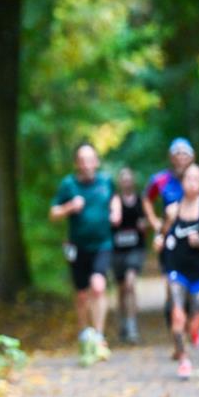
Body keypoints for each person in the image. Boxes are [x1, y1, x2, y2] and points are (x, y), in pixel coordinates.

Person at [142, 137, 199, 345]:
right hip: (172, 243)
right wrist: (156, 224)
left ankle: (194, 325)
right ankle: (177, 335)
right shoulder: (160, 180)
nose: (181, 158)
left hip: (198, 245)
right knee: (174, 292)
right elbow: (146, 198)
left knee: (195, 295)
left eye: (185, 154)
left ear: (192, 156)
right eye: (177, 154)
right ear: (171, 157)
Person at [50, 142, 121, 366]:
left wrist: (116, 211)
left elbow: (115, 198)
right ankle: (84, 334)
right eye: (82, 160)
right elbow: (53, 213)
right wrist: (69, 207)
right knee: (81, 295)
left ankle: (98, 337)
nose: (87, 164)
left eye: (90, 159)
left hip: (103, 244)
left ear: (97, 162)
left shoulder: (106, 181)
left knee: (98, 286)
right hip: (77, 247)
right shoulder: (68, 185)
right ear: (76, 164)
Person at [154, 164, 199, 380]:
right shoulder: (172, 210)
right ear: (182, 183)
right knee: (177, 314)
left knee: (195, 319)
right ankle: (184, 358)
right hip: (177, 269)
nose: (192, 184)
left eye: (196, 180)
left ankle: (195, 331)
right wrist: (158, 241)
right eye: (188, 179)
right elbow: (161, 234)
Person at [111, 167, 147, 344]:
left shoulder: (141, 200)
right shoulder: (114, 200)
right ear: (119, 182)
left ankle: (132, 326)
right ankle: (123, 323)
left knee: (130, 284)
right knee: (121, 289)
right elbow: (107, 223)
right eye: (122, 178)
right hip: (117, 250)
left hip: (135, 249)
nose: (126, 181)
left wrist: (144, 224)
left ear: (133, 181)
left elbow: (149, 220)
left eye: (128, 178)